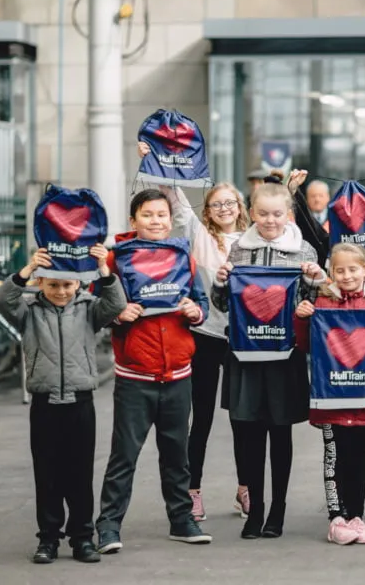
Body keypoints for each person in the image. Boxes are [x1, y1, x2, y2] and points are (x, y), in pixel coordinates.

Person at [138, 141, 253, 522]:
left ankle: (246, 488)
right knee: (200, 418)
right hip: (206, 337)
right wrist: (151, 158)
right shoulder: (200, 238)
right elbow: (176, 197)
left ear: (240, 207)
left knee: (243, 418)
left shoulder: (254, 243)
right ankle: (193, 491)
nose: (224, 209)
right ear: (209, 210)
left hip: (243, 341)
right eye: (217, 204)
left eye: (230, 203)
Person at [95, 189, 212, 554]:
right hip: (135, 377)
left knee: (177, 456)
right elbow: (95, 308)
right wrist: (117, 313)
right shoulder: (115, 260)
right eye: (148, 215)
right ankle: (109, 527)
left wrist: (196, 312)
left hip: (178, 375)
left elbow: (202, 302)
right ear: (134, 220)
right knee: (124, 456)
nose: (156, 221)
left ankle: (182, 520)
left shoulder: (184, 258)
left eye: (162, 214)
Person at [0, 244, 126, 564]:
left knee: (79, 474)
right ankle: (48, 539)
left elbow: (116, 303)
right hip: (45, 404)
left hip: (81, 404)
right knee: (48, 474)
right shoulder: (29, 311)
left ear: (79, 284)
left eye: (67, 285)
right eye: (52, 284)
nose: (60, 291)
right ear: (40, 283)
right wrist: (26, 270)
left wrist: (103, 268)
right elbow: (4, 300)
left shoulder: (88, 309)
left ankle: (82, 537)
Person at [211, 183, 325, 540]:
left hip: (284, 355)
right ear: (252, 212)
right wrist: (219, 283)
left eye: (277, 214)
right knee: (246, 431)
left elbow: (312, 300)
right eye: (262, 214)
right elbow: (223, 303)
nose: (270, 221)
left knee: (279, 431)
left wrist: (315, 284)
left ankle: (277, 510)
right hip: (244, 354)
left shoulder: (303, 249)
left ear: (288, 213)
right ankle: (254, 509)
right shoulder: (238, 249)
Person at [301, 243, 365, 545]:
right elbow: (308, 346)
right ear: (331, 273)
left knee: (359, 455)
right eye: (339, 270)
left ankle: (356, 517)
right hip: (332, 395)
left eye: (352, 269)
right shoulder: (322, 301)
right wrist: (302, 318)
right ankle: (337, 517)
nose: (346, 275)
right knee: (334, 455)